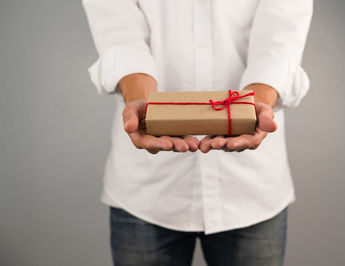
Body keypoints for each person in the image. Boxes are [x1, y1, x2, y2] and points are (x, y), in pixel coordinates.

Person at [82, 0, 312, 265]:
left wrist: (255, 107)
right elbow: (119, 32)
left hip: (250, 189)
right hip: (148, 188)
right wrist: (140, 103)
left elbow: (280, 36)